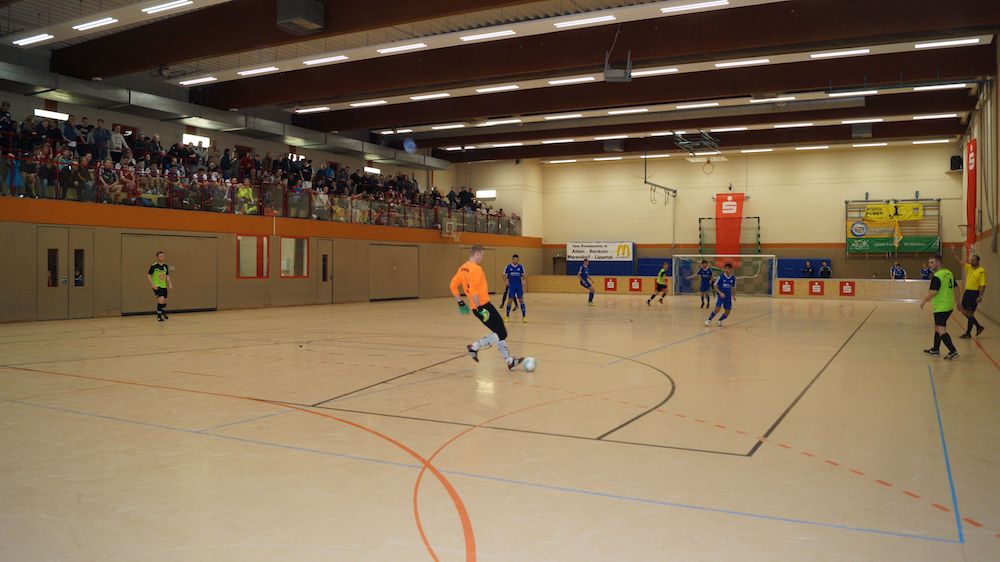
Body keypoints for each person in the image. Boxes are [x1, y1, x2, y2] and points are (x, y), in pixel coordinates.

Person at [450, 245, 523, 370]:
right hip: (483, 307)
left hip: (475, 308)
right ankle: (474, 346)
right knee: (502, 333)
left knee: (498, 333)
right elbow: (473, 290)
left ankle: (509, 362)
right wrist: (480, 308)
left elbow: (452, 286)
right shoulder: (476, 269)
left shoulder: (462, 268)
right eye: (482, 255)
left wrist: (460, 302)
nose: (482, 257)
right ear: (477, 254)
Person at [919, 254, 958, 360]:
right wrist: (958, 302)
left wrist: (924, 301)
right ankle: (936, 349)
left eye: (932, 262)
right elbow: (956, 287)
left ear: (938, 263)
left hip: (941, 306)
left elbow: (934, 292)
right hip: (949, 305)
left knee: (940, 329)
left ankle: (953, 351)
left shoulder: (937, 276)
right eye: (929, 262)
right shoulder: (949, 273)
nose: (929, 264)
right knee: (937, 327)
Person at [956, 251, 986, 339]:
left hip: (974, 293)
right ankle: (979, 327)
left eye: (973, 260)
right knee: (963, 311)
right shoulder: (969, 268)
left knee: (970, 313)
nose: (971, 262)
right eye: (971, 260)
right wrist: (954, 252)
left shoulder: (981, 271)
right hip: (967, 292)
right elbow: (960, 262)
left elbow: (983, 285)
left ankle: (968, 333)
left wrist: (980, 296)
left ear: (978, 261)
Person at [705, 263, 736, 327]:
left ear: (731, 269)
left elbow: (734, 287)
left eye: (728, 269)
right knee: (717, 308)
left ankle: (719, 321)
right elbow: (715, 285)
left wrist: (734, 295)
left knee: (727, 312)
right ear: (724, 269)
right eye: (726, 269)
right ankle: (709, 320)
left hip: (728, 296)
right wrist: (720, 293)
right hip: (720, 295)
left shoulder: (733, 278)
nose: (727, 270)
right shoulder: (721, 277)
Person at [147, 251, 173, 322]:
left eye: (163, 256)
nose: (162, 257)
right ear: (157, 257)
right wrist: (152, 284)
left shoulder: (165, 266)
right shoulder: (154, 265)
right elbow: (148, 275)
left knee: (165, 302)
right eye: (160, 256)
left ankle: (162, 311)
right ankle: (159, 316)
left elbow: (167, 276)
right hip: (157, 285)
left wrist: (170, 284)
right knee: (161, 300)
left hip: (164, 286)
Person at [503, 254, 527, 322]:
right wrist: (506, 281)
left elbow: (523, 275)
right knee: (510, 301)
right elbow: (504, 274)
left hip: (519, 287)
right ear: (512, 259)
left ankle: (524, 317)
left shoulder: (521, 267)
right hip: (512, 286)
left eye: (516, 260)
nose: (515, 261)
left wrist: (524, 280)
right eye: (514, 259)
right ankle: (507, 316)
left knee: (521, 301)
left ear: (518, 260)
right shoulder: (508, 267)